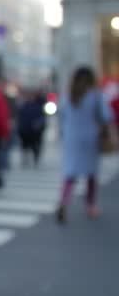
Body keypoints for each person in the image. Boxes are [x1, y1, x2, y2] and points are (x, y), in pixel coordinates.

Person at [56, 67, 114, 224]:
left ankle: (64, 201)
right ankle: (90, 205)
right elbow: (108, 116)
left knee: (70, 174)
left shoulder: (68, 96)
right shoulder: (96, 96)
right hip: (90, 139)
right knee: (91, 175)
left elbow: (61, 118)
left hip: (71, 140)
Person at [17, 91, 47, 167]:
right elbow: (20, 118)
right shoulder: (24, 106)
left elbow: (42, 118)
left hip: (35, 131)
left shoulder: (38, 106)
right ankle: (26, 160)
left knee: (34, 147)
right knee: (26, 147)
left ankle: (34, 160)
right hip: (26, 130)